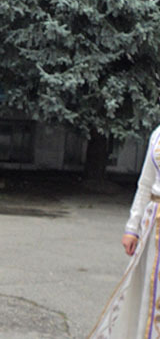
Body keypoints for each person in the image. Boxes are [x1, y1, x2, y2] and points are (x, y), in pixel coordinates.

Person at [89, 126, 160, 338]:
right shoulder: (158, 135)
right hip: (154, 226)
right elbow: (145, 183)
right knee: (149, 291)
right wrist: (132, 228)